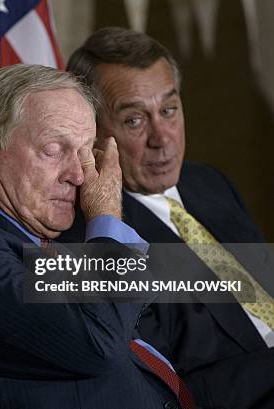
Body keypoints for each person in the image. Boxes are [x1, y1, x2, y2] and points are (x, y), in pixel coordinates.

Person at [0, 64, 190, 408]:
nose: (79, 175)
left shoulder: (43, 244)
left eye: (86, 152)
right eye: (53, 149)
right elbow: (98, 344)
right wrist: (106, 216)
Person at [64, 27, 274, 409]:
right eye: (134, 120)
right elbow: (166, 391)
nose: (162, 138)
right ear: (91, 133)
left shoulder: (208, 182)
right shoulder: (91, 239)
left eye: (169, 110)